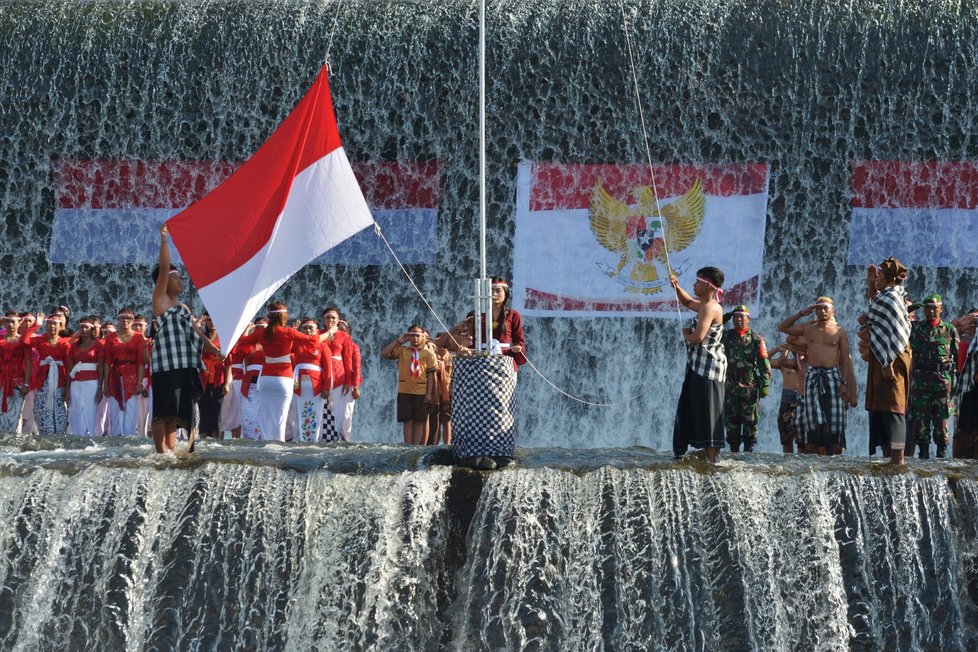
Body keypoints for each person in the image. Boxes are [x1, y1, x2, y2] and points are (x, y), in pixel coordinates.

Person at [151, 225, 218, 453]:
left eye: (181, 278)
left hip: (184, 365)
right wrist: (164, 240)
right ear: (164, 282)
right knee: (162, 410)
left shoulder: (183, 307)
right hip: (165, 364)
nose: (181, 282)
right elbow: (163, 269)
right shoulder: (160, 300)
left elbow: (198, 334)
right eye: (176, 278)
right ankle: (160, 451)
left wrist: (215, 351)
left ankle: (171, 448)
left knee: (175, 411)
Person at [235, 302, 322, 442]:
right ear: (283, 316)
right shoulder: (289, 332)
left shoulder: (261, 332)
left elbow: (242, 342)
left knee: (265, 417)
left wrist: (246, 330)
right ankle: (278, 449)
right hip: (283, 379)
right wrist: (330, 332)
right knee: (280, 418)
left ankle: (266, 447)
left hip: (265, 380)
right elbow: (312, 341)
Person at [779, 297, 853, 456]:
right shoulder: (808, 329)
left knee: (834, 422)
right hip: (812, 376)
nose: (822, 311)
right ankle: (814, 457)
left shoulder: (840, 332)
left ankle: (833, 457)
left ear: (833, 311)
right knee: (813, 422)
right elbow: (783, 327)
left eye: (826, 308)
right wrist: (801, 313)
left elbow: (845, 359)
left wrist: (844, 382)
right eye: (818, 308)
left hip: (832, 376)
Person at [669, 267, 726, 463]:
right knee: (693, 408)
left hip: (709, 369)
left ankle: (712, 460)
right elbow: (686, 301)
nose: (693, 284)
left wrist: (685, 333)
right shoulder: (704, 305)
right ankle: (693, 455)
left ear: (708, 285)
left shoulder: (710, 308)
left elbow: (698, 338)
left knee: (708, 412)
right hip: (698, 366)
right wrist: (676, 286)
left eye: (697, 281)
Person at [860, 257, 913, 465]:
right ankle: (887, 457)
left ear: (890, 278)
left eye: (880, 276)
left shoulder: (892, 299)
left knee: (893, 405)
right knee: (881, 406)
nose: (877, 279)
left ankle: (898, 460)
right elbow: (874, 307)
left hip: (893, 360)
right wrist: (870, 283)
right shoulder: (886, 296)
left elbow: (897, 334)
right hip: (882, 358)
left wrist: (889, 362)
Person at [907, 294, 958, 459]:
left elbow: (956, 358)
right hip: (921, 383)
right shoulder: (916, 328)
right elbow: (900, 319)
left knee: (941, 421)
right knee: (920, 422)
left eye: (935, 308)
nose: (931, 311)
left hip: (942, 383)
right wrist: (912, 307)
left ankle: (941, 454)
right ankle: (923, 455)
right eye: (928, 308)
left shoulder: (949, 330)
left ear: (941, 309)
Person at [720, 304, 771, 452]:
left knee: (750, 424)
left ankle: (748, 454)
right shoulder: (726, 336)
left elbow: (764, 364)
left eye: (742, 317)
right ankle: (734, 453)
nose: (739, 320)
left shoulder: (756, 340)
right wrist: (724, 317)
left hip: (750, 388)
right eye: (736, 317)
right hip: (730, 387)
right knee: (731, 424)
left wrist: (765, 385)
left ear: (748, 319)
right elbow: (711, 329)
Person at [382, 325, 437, 445]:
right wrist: (399, 341)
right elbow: (385, 353)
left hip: (421, 391)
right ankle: (408, 445)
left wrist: (429, 394)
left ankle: (416, 446)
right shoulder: (402, 350)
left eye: (418, 335)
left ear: (424, 337)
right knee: (407, 420)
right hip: (404, 390)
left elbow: (431, 375)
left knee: (419, 421)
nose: (415, 338)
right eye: (412, 335)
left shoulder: (429, 354)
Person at [21, 312, 71, 435]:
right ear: (46, 325)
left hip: (59, 382)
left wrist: (68, 390)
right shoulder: (40, 340)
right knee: (41, 408)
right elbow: (24, 340)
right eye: (50, 324)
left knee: (58, 409)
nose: (52, 326)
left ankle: (59, 435)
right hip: (42, 381)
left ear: (60, 327)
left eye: (55, 324)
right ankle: (46, 435)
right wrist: (36, 324)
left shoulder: (64, 344)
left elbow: (69, 367)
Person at [102, 308, 147, 436]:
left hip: (132, 376)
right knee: (114, 408)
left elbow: (141, 362)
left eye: (128, 318)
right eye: (122, 317)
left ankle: (129, 438)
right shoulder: (110, 338)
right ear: (118, 319)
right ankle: (116, 437)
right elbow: (106, 362)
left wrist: (139, 382)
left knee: (131, 408)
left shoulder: (138, 337)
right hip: (114, 376)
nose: (125, 320)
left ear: (132, 320)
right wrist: (106, 384)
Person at [290, 317, 333, 442]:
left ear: (317, 330)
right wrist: (292, 331)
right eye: (304, 328)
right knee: (298, 411)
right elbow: (285, 347)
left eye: (311, 328)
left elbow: (328, 368)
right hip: (298, 383)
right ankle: (298, 440)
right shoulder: (297, 344)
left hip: (316, 385)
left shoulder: (323, 346)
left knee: (314, 412)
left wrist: (326, 388)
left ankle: (313, 441)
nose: (308, 330)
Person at [319, 307, 355, 442]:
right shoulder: (319, 333)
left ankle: (338, 438)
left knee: (338, 408)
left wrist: (348, 381)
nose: (331, 320)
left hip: (339, 374)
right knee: (322, 406)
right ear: (323, 320)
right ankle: (321, 437)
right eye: (328, 317)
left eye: (333, 318)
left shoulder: (344, 336)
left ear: (338, 320)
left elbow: (348, 359)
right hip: (321, 373)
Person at [65, 316, 104, 436]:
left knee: (90, 410)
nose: (83, 330)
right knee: (76, 410)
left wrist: (100, 387)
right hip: (76, 383)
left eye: (86, 327)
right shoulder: (74, 346)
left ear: (92, 329)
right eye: (81, 327)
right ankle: (77, 436)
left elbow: (101, 366)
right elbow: (69, 369)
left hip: (92, 382)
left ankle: (90, 436)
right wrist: (66, 390)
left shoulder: (98, 345)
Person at [769, 342, 805, 454]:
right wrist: (778, 349)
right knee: (786, 437)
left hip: (803, 400)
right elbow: (764, 361)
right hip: (787, 399)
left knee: (802, 439)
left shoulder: (809, 363)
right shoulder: (784, 364)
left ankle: (802, 466)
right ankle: (788, 464)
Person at [0, 311, 31, 434]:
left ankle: (14, 442)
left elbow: (29, 363)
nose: (10, 324)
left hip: (17, 383)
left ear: (19, 323)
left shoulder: (23, 341)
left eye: (13, 322)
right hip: (1, 381)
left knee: (15, 415)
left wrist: (26, 384)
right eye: (8, 321)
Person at [197, 314, 226, 439]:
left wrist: (228, 382)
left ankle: (215, 436)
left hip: (218, 376)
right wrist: (197, 326)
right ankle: (203, 435)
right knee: (203, 408)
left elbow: (229, 361)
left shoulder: (224, 337)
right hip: (202, 376)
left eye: (214, 319)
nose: (212, 322)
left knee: (216, 408)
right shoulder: (199, 337)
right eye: (209, 319)